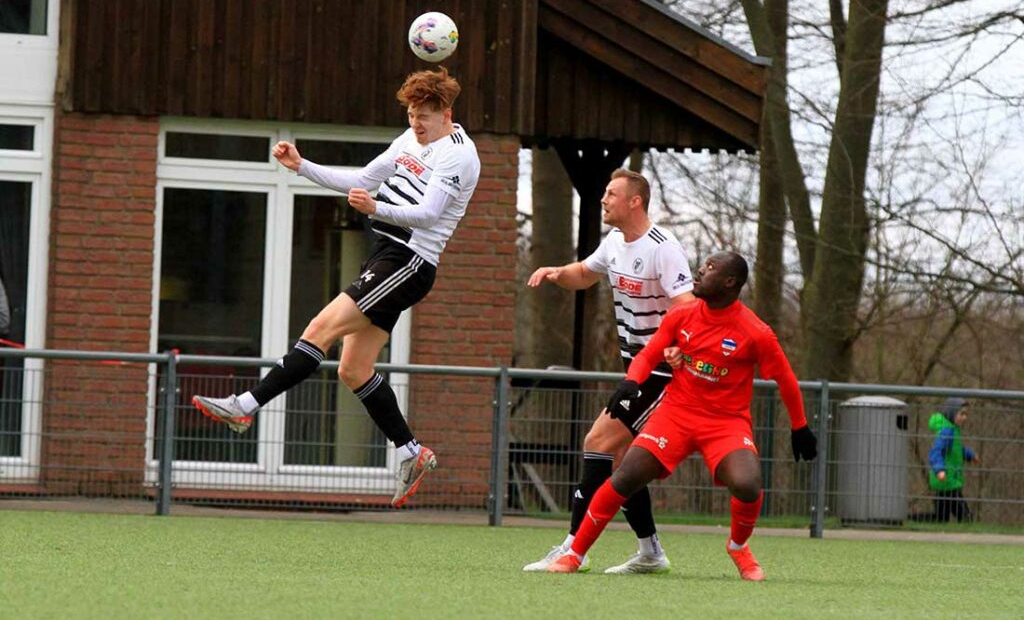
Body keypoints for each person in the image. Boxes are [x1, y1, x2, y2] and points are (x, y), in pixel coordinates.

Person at [192, 67, 481, 508]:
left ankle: (246, 404)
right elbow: (361, 180)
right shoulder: (408, 141)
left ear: (447, 114)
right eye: (410, 113)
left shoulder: (459, 155)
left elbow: (427, 213)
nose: (416, 123)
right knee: (353, 369)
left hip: (409, 261)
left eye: (424, 115)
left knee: (319, 329)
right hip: (386, 256)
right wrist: (301, 167)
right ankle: (411, 451)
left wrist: (377, 207)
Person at [546, 251, 818, 580]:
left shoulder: (756, 331)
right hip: (676, 413)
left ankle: (738, 547)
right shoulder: (682, 315)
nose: (699, 272)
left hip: (726, 422)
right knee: (626, 475)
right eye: (702, 266)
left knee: (748, 484)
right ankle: (575, 554)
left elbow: (786, 379)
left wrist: (800, 426)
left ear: (730, 282)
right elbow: (651, 352)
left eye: (710, 268)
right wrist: (630, 383)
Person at [522, 168, 695, 574]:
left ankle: (571, 549)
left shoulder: (663, 247)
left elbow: (687, 306)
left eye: (611, 193)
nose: (604, 198)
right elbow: (585, 273)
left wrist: (674, 347)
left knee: (597, 440)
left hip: (661, 373)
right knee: (620, 463)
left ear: (635, 201)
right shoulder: (615, 241)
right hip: (634, 366)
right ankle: (651, 552)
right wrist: (556, 273)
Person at [926, 397, 979, 522]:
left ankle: (916, 520)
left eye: (966, 414)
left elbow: (956, 450)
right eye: (961, 414)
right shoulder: (947, 432)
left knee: (941, 518)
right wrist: (939, 470)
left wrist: (970, 455)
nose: (965, 417)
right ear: (951, 413)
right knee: (965, 516)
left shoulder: (953, 430)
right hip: (947, 480)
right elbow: (936, 452)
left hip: (947, 481)